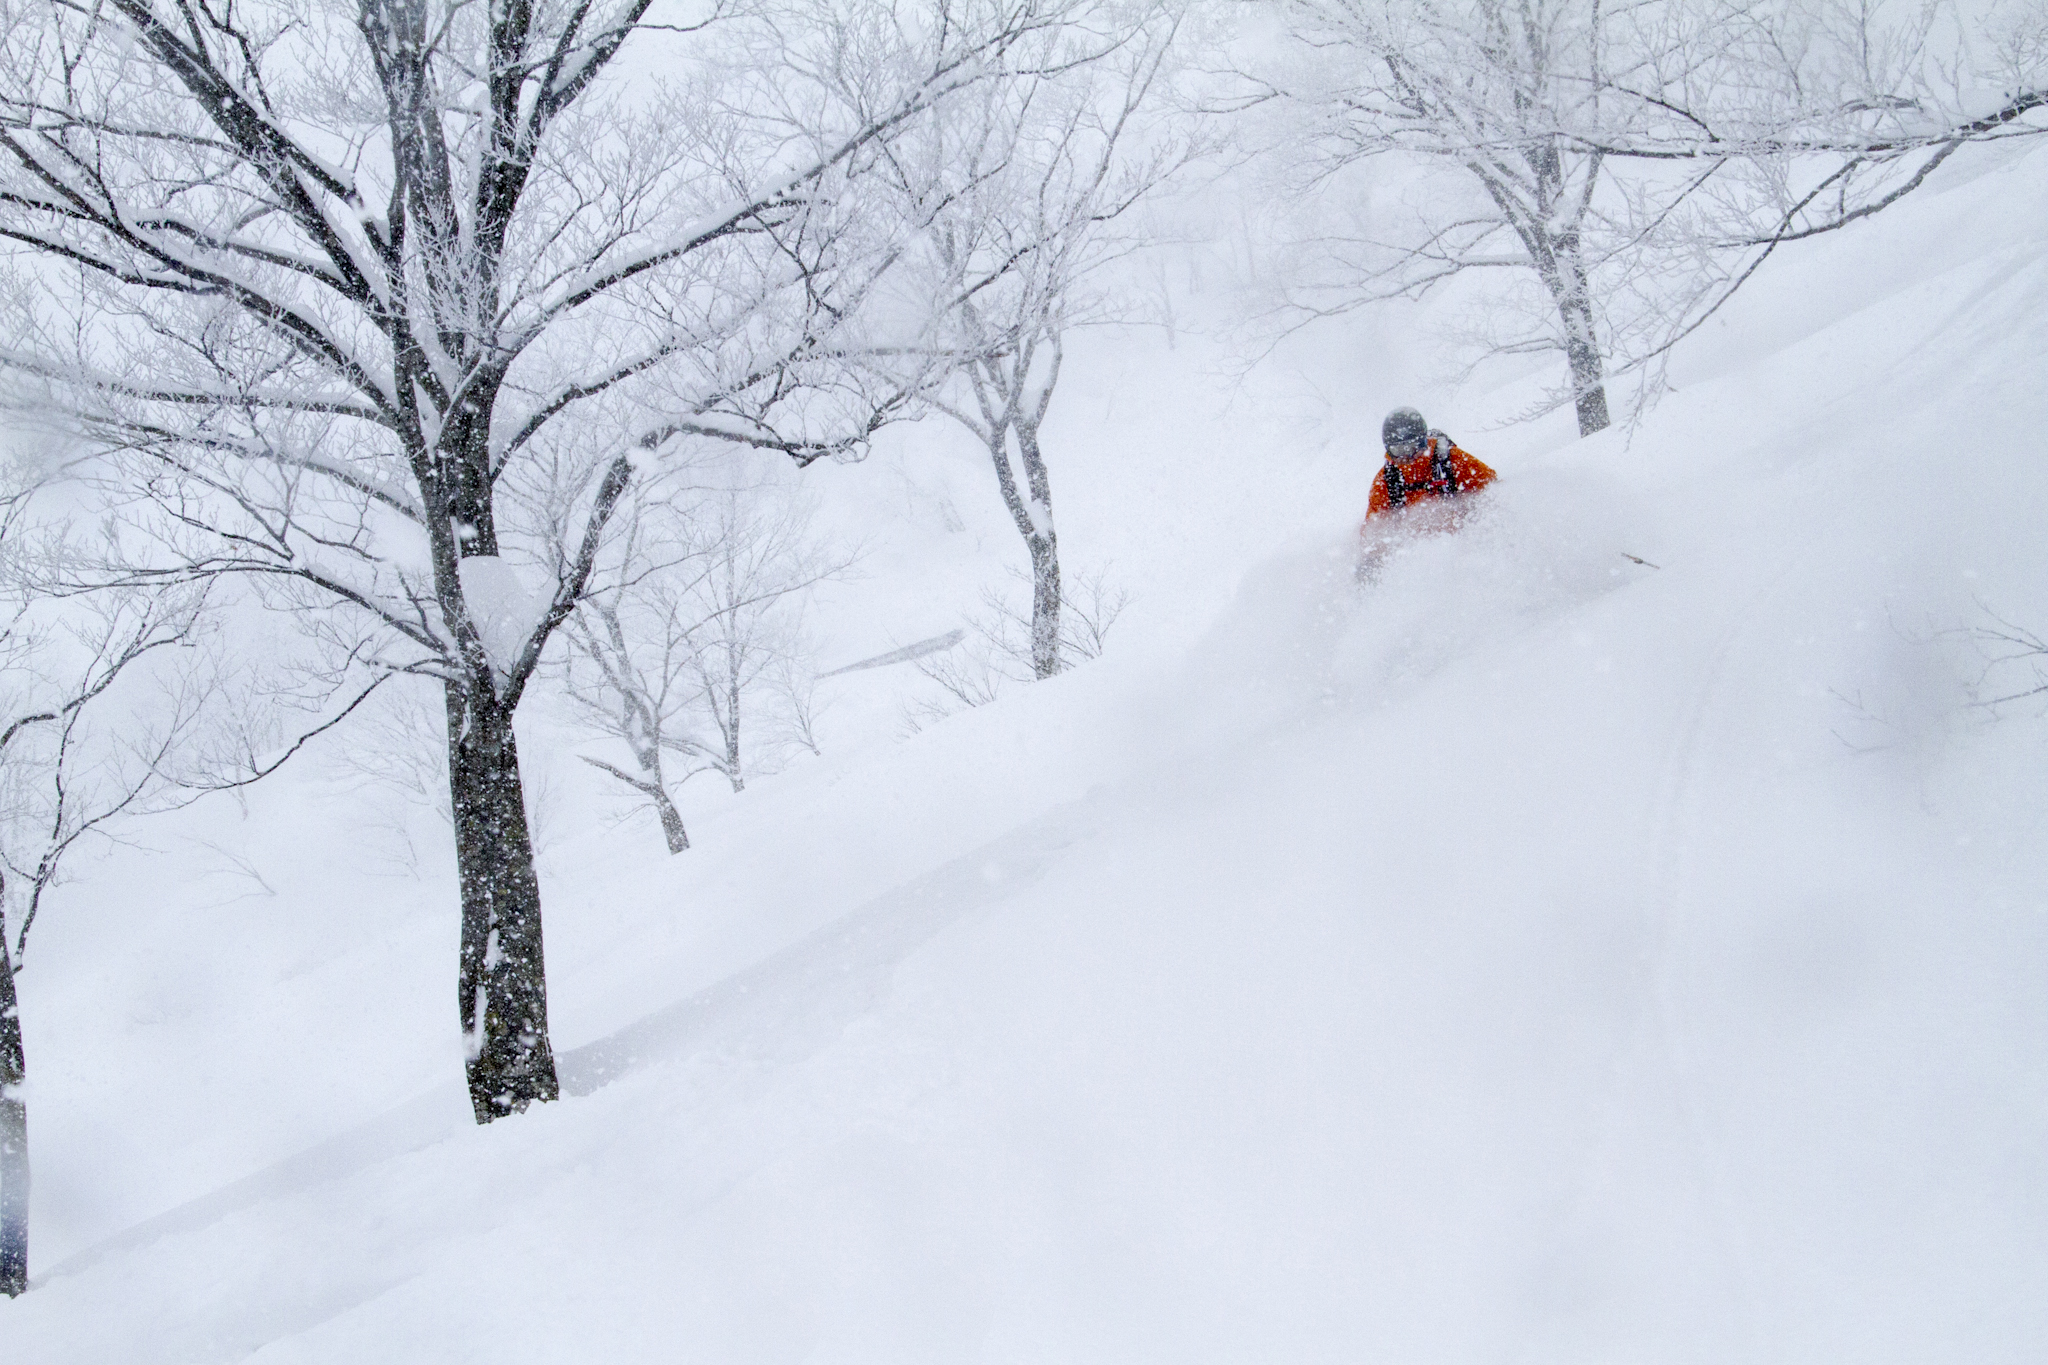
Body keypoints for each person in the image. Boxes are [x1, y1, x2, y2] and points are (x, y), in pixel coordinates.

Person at [1357, 407, 1497, 580]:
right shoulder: (1387, 482)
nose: (1406, 456)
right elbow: (1373, 530)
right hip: (1415, 563)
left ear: (1423, 440)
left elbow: (1494, 490)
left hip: (1463, 551)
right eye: (1398, 450)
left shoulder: (1452, 462)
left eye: (1411, 447)